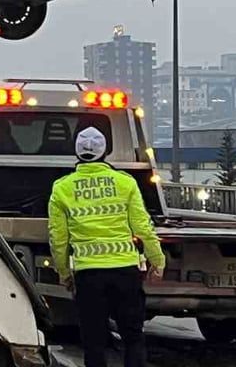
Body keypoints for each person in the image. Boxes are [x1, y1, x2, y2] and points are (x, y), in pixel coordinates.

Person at [48, 126, 165, 367]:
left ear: (77, 151)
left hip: (88, 275)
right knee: (133, 336)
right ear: (105, 151)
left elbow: (58, 239)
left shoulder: (62, 188)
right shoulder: (125, 183)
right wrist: (158, 260)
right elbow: (143, 228)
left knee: (94, 341)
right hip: (125, 272)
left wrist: (63, 273)